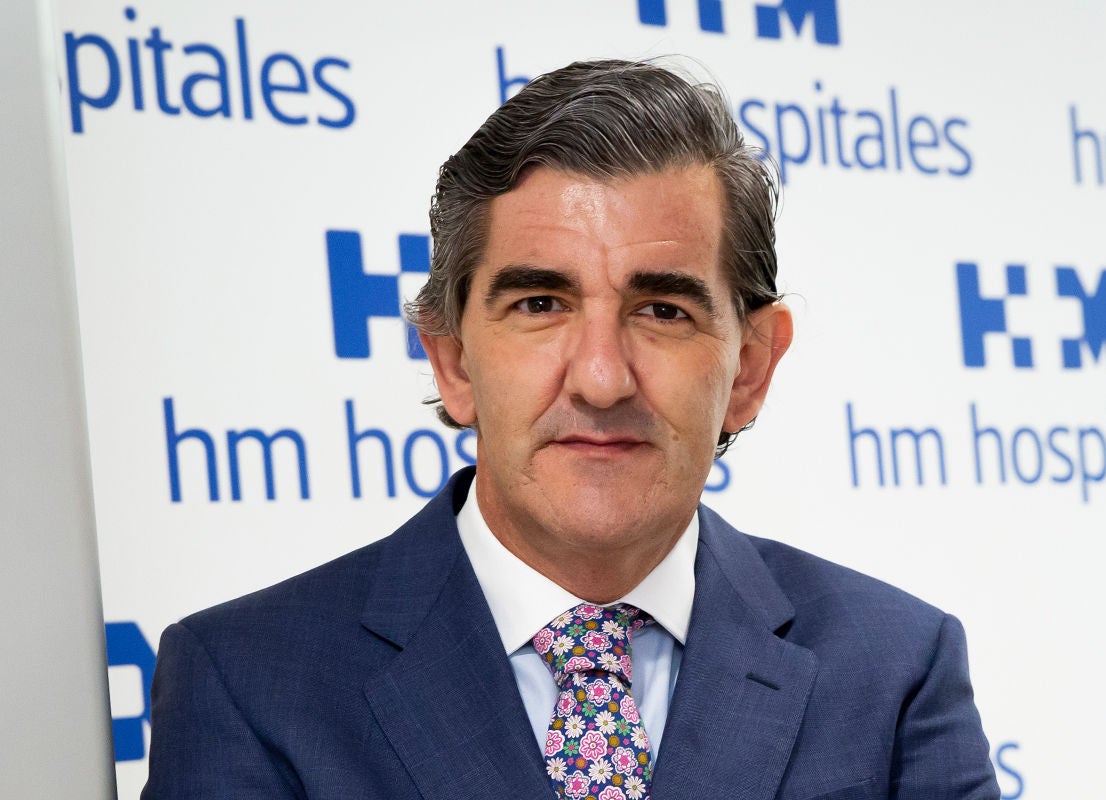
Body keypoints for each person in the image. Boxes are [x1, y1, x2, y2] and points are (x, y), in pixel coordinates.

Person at [143, 59, 1000, 799]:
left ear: (748, 369)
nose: (600, 377)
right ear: (452, 361)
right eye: (540, 304)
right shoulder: (247, 684)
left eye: (662, 310)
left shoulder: (895, 670)